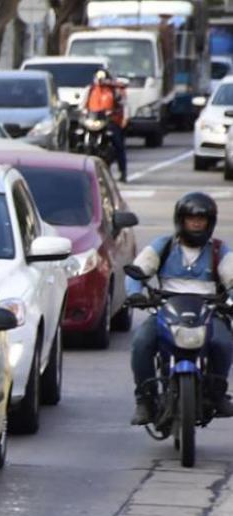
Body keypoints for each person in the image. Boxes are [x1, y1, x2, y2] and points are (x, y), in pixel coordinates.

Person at [128, 193, 233, 425]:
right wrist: (134, 294)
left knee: (224, 342)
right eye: (191, 218)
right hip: (167, 312)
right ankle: (145, 400)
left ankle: (217, 394)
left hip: (208, 313)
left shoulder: (218, 250)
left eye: (202, 219)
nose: (196, 223)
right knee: (141, 342)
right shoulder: (163, 246)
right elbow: (138, 270)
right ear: (180, 220)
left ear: (210, 222)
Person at [82, 68, 128, 182]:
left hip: (109, 121)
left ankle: (123, 171)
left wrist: (124, 117)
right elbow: (83, 105)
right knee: (79, 137)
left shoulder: (114, 91)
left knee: (118, 144)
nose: (100, 81)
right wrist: (83, 111)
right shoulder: (90, 89)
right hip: (93, 121)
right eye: (98, 79)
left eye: (103, 79)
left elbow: (124, 105)